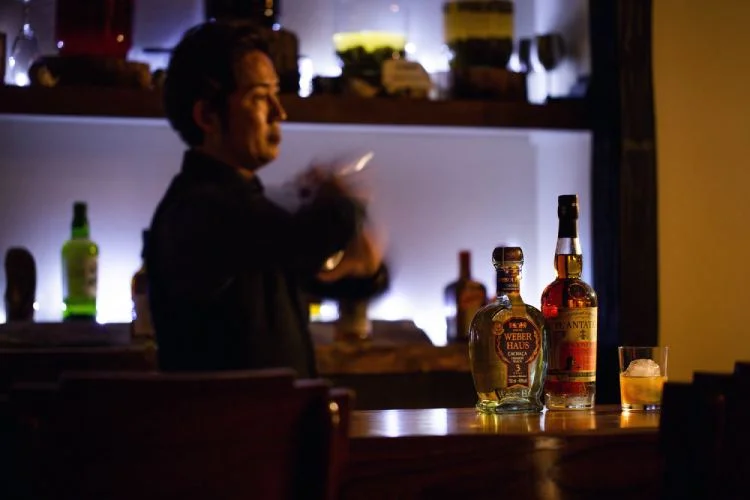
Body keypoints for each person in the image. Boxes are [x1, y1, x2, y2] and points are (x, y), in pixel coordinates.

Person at [146, 21, 387, 377]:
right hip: (226, 416)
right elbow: (312, 235)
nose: (279, 112)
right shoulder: (199, 210)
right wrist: (338, 201)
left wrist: (363, 267)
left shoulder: (246, 208)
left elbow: (335, 276)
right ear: (207, 116)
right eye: (260, 97)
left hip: (270, 415)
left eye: (276, 93)